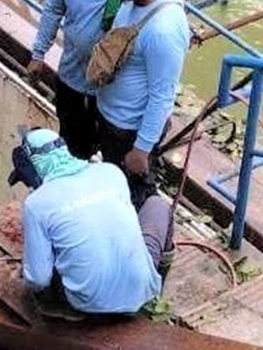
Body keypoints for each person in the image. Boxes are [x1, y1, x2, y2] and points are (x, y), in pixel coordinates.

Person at [13, 127, 172, 319]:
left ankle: (60, 313)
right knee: (158, 205)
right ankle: (156, 287)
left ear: (33, 168)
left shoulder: (37, 204)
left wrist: (25, 270)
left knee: (44, 267)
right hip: (141, 292)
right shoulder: (111, 173)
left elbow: (38, 280)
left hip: (87, 305)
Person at [90, 0, 191, 206]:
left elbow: (163, 95)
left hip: (129, 132)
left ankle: (152, 245)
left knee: (137, 199)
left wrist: (141, 149)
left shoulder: (164, 30)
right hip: (111, 119)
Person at [26, 0, 121, 159]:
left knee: (108, 158)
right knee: (72, 148)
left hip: (107, 92)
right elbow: (53, 10)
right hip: (70, 81)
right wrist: (38, 54)